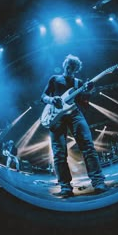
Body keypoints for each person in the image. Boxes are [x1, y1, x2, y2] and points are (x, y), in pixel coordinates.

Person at [41, 54, 108, 198]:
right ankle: (65, 187)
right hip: (56, 116)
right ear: (65, 64)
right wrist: (52, 100)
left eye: (74, 67)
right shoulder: (54, 79)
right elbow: (43, 97)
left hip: (74, 114)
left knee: (88, 146)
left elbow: (84, 101)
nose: (70, 68)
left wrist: (89, 90)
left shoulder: (78, 82)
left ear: (76, 69)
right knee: (59, 153)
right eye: (69, 65)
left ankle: (98, 182)